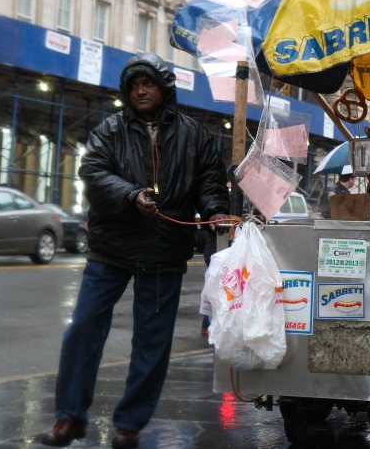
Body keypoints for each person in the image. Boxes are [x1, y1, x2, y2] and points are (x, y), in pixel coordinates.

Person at [41, 53, 230, 448]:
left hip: (165, 251)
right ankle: (69, 417)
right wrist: (131, 195)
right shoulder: (109, 130)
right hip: (110, 249)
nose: (141, 91)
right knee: (83, 329)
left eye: (148, 83)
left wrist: (215, 211)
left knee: (152, 343)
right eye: (134, 86)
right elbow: (93, 173)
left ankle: (129, 424)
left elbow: (210, 181)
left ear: (164, 87)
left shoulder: (194, 134)